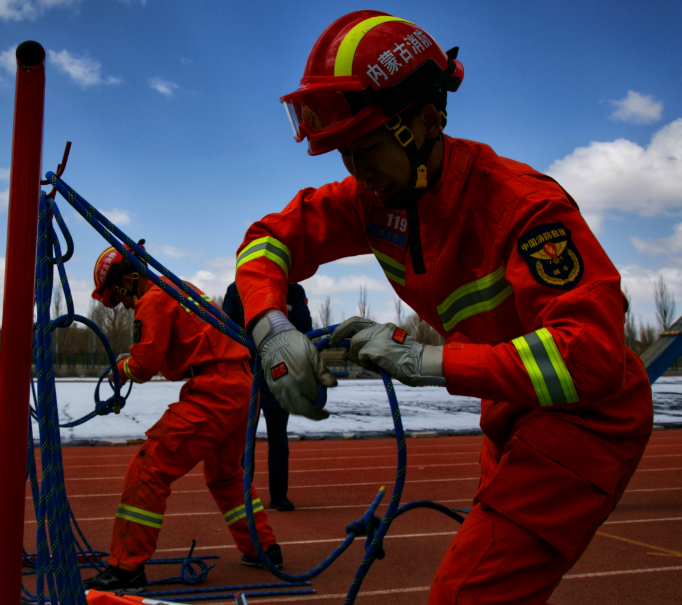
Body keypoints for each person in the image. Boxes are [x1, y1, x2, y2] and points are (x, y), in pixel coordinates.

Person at [234, 11, 652, 604]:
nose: (356, 171)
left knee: (464, 595)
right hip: (510, 415)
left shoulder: (524, 209)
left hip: (585, 421)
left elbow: (592, 358)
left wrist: (426, 361)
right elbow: (266, 240)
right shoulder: (372, 200)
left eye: (368, 147)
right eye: (343, 154)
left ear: (427, 121)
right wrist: (271, 326)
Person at [83, 242, 281, 592]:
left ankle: (126, 569)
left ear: (129, 278)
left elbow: (143, 366)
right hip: (243, 386)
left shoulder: (152, 298)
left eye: (119, 296)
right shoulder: (179, 288)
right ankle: (263, 549)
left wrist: (121, 369)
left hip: (216, 389)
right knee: (226, 476)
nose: (124, 305)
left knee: (148, 467)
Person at [222, 281, 312, 511]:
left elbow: (305, 329)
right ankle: (242, 496)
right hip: (246, 375)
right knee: (244, 441)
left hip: (280, 378)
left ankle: (279, 495)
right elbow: (225, 328)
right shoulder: (237, 290)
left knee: (278, 440)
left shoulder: (293, 290)